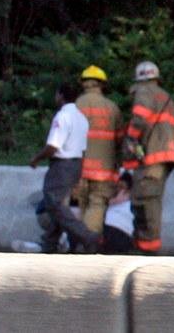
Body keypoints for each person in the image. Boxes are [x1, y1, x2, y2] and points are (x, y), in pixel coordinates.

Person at [28, 82, 102, 254]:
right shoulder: (81, 117)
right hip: (76, 165)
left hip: (62, 166)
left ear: (60, 95)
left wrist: (36, 158)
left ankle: (86, 236)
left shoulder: (63, 117)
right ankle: (49, 243)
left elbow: (53, 146)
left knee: (54, 204)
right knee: (58, 204)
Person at [122, 60, 174, 255]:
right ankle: (146, 246)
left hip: (152, 159)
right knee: (151, 199)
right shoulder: (166, 97)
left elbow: (140, 117)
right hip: (165, 157)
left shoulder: (144, 92)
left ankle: (147, 248)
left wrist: (130, 137)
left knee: (144, 202)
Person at [75, 65, 123, 235]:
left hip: (78, 168)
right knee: (97, 204)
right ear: (102, 84)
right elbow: (120, 140)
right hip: (103, 169)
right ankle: (89, 244)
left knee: (82, 205)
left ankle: (78, 242)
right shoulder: (112, 108)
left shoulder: (75, 106)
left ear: (83, 83)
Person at [100, 171, 135, 254]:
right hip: (107, 231)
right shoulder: (110, 200)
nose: (118, 190)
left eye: (122, 187)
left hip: (122, 234)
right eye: (117, 187)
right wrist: (113, 201)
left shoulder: (132, 203)